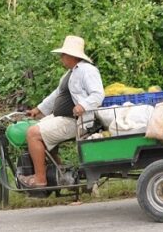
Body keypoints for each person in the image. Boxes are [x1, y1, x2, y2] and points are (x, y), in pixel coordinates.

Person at [19, 35, 104, 187]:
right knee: (33, 129)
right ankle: (61, 173)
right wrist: (38, 109)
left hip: (77, 121)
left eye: (63, 54)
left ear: (72, 55)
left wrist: (82, 106)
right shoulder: (70, 73)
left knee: (33, 133)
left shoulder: (87, 70)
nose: (61, 58)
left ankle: (40, 179)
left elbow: (98, 94)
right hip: (62, 118)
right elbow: (56, 94)